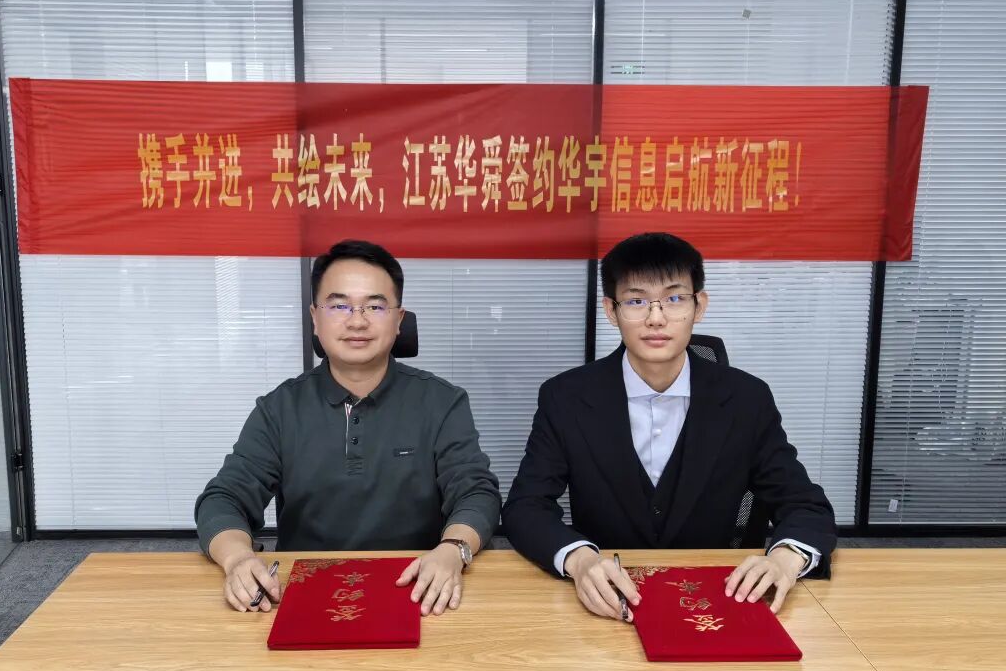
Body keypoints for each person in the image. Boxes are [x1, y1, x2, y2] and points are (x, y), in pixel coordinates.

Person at [502, 232, 836, 621]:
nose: (656, 318)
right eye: (636, 301)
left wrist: (786, 558)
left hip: (720, 600)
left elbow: (805, 504)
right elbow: (526, 507)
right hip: (606, 599)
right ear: (611, 311)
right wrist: (579, 560)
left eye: (675, 299)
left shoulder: (747, 399)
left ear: (699, 306)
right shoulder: (566, 397)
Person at [196, 240, 500, 616]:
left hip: (419, 588)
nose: (357, 321)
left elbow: (476, 492)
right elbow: (223, 499)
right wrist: (238, 558)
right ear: (315, 317)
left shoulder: (442, 402)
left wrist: (453, 550)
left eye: (375, 306)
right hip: (303, 593)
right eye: (339, 305)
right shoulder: (279, 408)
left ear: (399, 319)